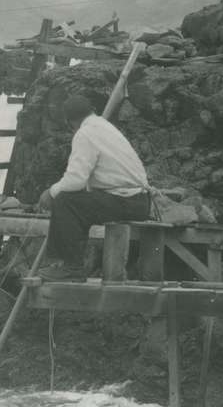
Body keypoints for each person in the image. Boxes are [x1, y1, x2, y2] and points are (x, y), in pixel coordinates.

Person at [37, 95, 151, 279]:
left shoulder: (85, 133)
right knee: (78, 202)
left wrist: (50, 193)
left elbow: (76, 181)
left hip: (126, 201)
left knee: (65, 202)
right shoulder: (104, 127)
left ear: (69, 122)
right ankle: (69, 264)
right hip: (139, 201)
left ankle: (71, 268)